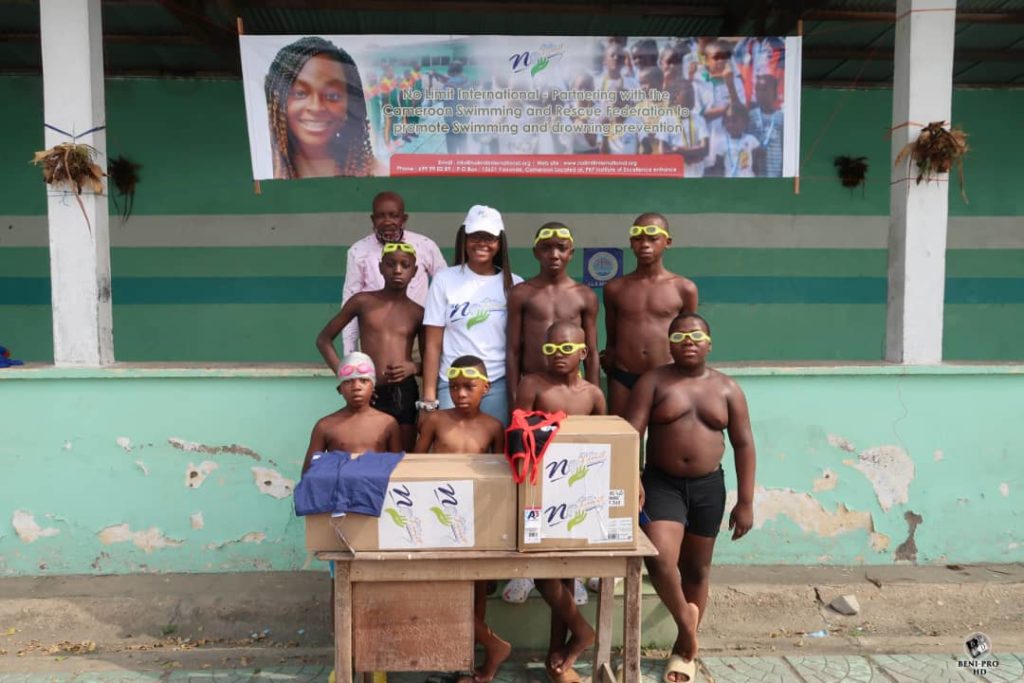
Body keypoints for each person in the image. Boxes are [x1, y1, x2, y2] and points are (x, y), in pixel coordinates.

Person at [624, 313, 755, 683]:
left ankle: (684, 649)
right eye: (679, 335)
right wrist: (632, 476)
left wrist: (745, 501)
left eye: (696, 335)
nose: (688, 341)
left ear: (710, 343)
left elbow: (744, 444)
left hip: (708, 487)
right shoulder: (653, 381)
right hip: (661, 484)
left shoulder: (728, 389)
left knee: (696, 570)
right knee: (661, 559)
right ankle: (687, 620)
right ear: (669, 342)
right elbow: (632, 433)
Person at [514, 321, 603, 683]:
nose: (559, 356)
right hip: (539, 491)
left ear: (583, 352)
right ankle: (583, 632)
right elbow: (518, 434)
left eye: (567, 349)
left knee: (567, 573)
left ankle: (558, 653)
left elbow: (605, 443)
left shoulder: (594, 395)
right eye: (551, 349)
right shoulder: (532, 385)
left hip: (580, 493)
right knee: (545, 573)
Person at [414, 355, 509, 683]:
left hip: (477, 518)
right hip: (439, 517)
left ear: (486, 388)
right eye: (454, 387)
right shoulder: (436, 421)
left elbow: (500, 480)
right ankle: (460, 653)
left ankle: (468, 661)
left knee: (477, 590)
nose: (461, 394)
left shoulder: (494, 428)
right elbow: (416, 465)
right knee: (440, 589)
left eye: (469, 387)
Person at [420, 205, 523, 424]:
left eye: (489, 238)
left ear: (500, 242)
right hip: (453, 384)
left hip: (497, 384)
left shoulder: (515, 284)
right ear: (464, 238)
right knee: (450, 450)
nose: (482, 244)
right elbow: (432, 344)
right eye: (475, 236)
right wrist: (429, 397)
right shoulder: (444, 280)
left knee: (496, 453)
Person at [317, 242, 424, 451]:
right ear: (381, 267)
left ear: (415, 271)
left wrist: (414, 367)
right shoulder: (363, 302)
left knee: (404, 457)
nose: (398, 270)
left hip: (404, 392)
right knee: (369, 452)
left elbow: (432, 359)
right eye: (391, 264)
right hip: (371, 391)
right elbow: (324, 340)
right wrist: (347, 376)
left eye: (405, 265)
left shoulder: (418, 312)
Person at [602, 213, 698, 417]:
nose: (645, 245)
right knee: (623, 439)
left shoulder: (684, 288)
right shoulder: (615, 288)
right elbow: (612, 337)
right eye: (638, 239)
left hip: (667, 376)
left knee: (665, 441)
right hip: (623, 376)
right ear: (631, 243)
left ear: (667, 242)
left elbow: (689, 337)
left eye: (653, 239)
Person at [341, 191, 447, 355]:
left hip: (419, 335)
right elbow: (349, 299)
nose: (387, 221)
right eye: (381, 216)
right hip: (375, 338)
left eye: (394, 216)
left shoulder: (425, 246)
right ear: (373, 219)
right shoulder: (358, 251)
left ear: (404, 219)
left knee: (420, 379)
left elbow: (445, 287)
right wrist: (350, 353)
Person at [506, 224, 599, 405]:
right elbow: (513, 350)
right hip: (532, 388)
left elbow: (591, 352)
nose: (554, 254)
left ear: (571, 253)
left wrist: (593, 394)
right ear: (536, 252)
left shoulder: (584, 295)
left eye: (561, 248)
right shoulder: (521, 293)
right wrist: (514, 398)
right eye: (546, 248)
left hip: (572, 390)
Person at [264, 36, 376, 179]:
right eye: (300, 93)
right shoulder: (265, 169)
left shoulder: (374, 172)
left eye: (333, 95)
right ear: (277, 102)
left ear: (350, 104)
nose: (316, 107)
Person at [302, 352, 402, 473]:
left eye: (364, 381)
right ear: (340, 389)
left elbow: (398, 469)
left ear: (373, 387)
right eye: (348, 381)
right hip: (339, 490)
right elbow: (309, 473)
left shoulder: (388, 423)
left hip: (376, 490)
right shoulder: (325, 426)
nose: (356, 387)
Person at [657, 79, 710, 178]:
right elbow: (663, 151)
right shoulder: (666, 119)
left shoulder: (699, 119)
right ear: (676, 97)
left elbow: (705, 149)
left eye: (693, 95)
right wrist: (691, 156)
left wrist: (679, 151)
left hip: (697, 175)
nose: (692, 99)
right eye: (688, 95)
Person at [707, 105, 759, 178]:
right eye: (728, 121)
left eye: (735, 120)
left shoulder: (751, 140)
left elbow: (756, 166)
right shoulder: (721, 143)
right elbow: (719, 168)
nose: (731, 124)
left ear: (744, 122)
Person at [747, 74, 784, 177]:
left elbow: (784, 145)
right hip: (756, 172)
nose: (760, 93)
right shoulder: (750, 116)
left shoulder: (781, 117)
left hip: (776, 171)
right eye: (757, 90)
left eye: (764, 90)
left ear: (775, 93)